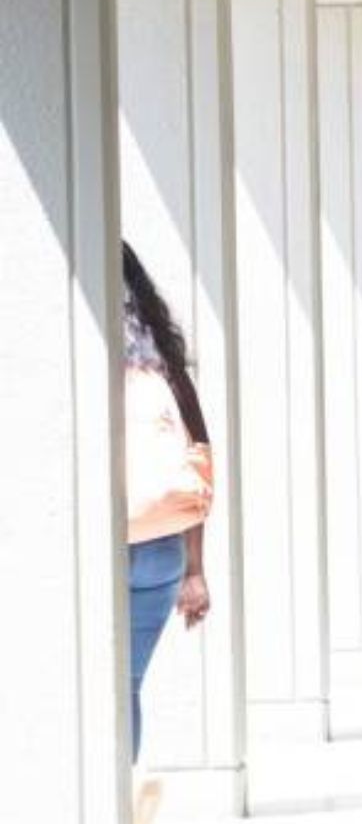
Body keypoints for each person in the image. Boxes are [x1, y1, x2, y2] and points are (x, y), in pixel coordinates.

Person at [121, 243, 215, 763]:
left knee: (97, 688)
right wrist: (195, 570)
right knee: (125, 685)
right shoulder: (167, 371)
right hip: (161, 550)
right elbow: (197, 464)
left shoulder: (80, 367)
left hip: (102, 547)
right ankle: (117, 803)